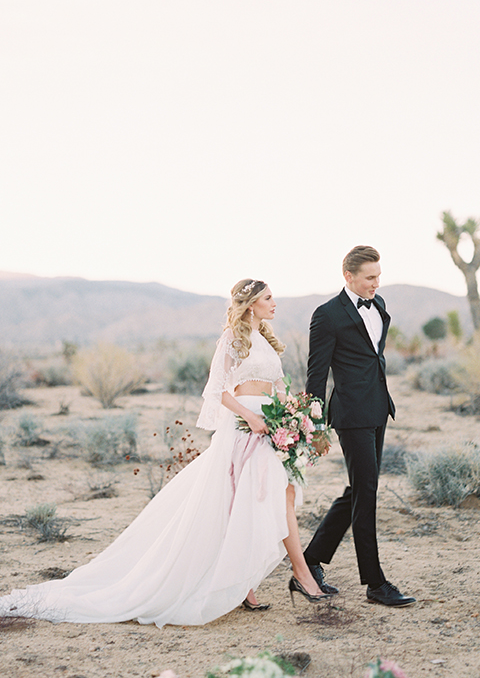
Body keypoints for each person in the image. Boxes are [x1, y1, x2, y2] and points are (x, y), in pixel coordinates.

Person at [0, 279, 328, 628]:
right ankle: (284, 578)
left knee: (275, 498)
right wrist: (250, 416)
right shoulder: (232, 339)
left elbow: (278, 387)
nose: (274, 303)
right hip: (247, 428)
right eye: (268, 298)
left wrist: (295, 414)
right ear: (250, 305)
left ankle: (265, 579)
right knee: (244, 502)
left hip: (273, 427)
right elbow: (216, 390)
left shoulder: (265, 340)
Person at [303, 246, 415, 607]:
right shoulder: (327, 315)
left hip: (378, 409)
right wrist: (315, 423)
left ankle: (309, 560)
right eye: (369, 277)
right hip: (350, 415)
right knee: (366, 494)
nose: (376, 283)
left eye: (378, 276)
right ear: (348, 276)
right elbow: (316, 375)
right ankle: (375, 584)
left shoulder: (379, 306)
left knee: (359, 489)